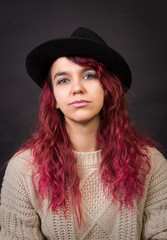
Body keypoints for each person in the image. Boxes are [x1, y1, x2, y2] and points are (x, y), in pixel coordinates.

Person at [0, 27, 167, 240]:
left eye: (89, 75)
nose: (77, 88)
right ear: (54, 100)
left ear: (108, 89)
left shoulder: (151, 164)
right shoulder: (23, 170)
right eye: (63, 80)